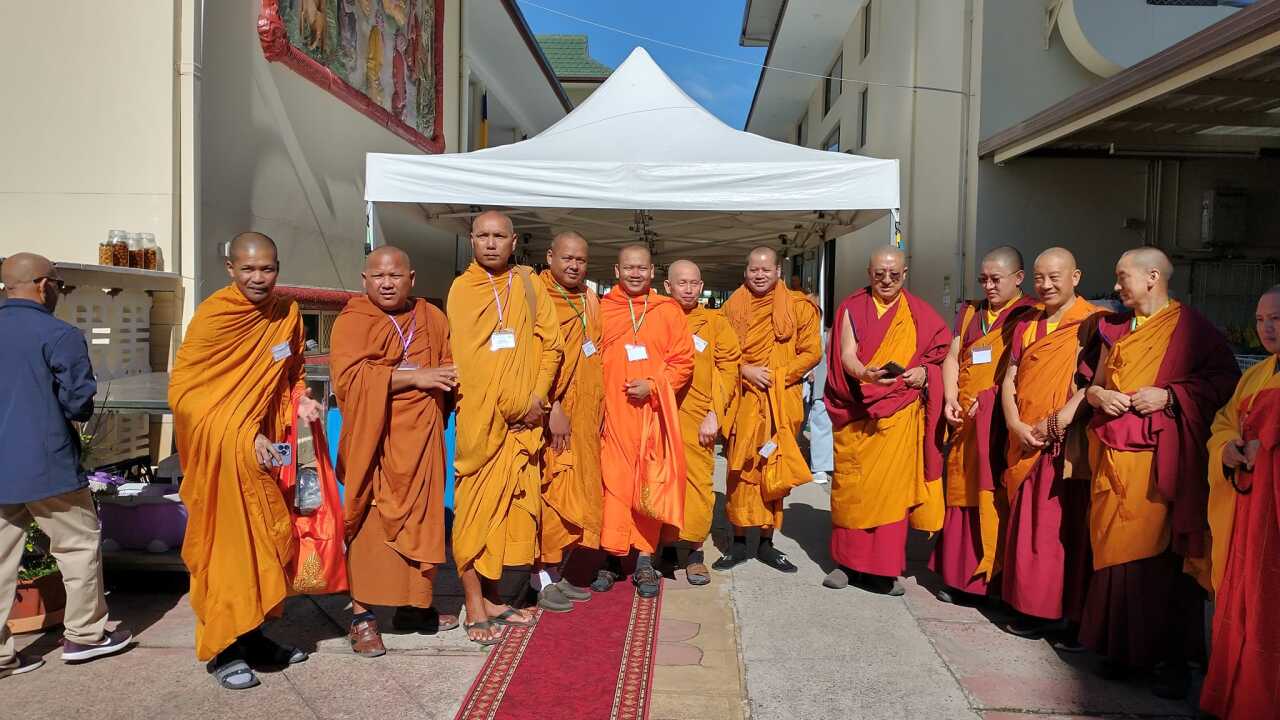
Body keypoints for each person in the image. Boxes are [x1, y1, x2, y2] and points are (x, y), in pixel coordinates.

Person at [1082, 247, 1238, 698]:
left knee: (1159, 565)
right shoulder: (1113, 329)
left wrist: (1169, 396)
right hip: (1112, 459)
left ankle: (1167, 662)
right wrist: (1098, 397)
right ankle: (1118, 651)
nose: (1116, 287)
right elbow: (1090, 384)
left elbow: (1224, 384)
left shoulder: (1193, 330)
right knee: (1113, 559)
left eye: (1122, 277)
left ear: (1152, 277)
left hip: (1160, 466)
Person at [170, 232, 323, 689]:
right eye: (249, 269)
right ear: (230, 269)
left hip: (264, 453)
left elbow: (292, 372)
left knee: (267, 545)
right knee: (227, 552)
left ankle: (254, 636)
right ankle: (224, 649)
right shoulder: (215, 316)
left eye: (267, 269)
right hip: (223, 454)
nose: (259, 278)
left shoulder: (286, 314)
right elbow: (186, 394)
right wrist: (242, 433)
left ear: (278, 268)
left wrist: (301, 401)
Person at [0, 253, 134, 679]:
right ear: (44, 286)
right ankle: (85, 636)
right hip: (47, 464)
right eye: (59, 284)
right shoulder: (59, 334)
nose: (59, 291)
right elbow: (78, 402)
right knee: (77, 545)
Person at [330, 246, 459, 658]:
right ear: (364, 280)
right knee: (370, 528)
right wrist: (416, 377)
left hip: (421, 441)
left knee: (421, 524)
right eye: (378, 276)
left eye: (395, 276)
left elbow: (448, 367)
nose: (387, 284)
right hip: (375, 442)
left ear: (412, 278)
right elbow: (348, 380)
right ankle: (362, 617)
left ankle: (413, 607)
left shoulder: (431, 317)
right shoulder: (353, 320)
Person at [447, 211, 563, 644]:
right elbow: (463, 360)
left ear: (514, 242)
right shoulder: (462, 290)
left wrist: (537, 397)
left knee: (505, 514)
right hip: (480, 425)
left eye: (499, 236)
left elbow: (551, 346)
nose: (491, 243)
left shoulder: (530, 285)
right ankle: (473, 604)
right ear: (471, 239)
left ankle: (494, 598)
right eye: (483, 236)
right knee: (473, 517)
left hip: (523, 424)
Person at [822, 246, 949, 595]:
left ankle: (882, 570)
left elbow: (940, 358)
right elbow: (846, 354)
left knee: (891, 495)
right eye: (880, 274)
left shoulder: (919, 314)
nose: (887, 280)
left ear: (905, 274)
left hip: (899, 416)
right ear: (869, 273)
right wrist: (865, 374)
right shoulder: (852, 307)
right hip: (858, 411)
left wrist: (925, 373)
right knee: (852, 489)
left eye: (894, 274)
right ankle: (846, 564)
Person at [999, 248, 1102, 645]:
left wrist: (1058, 422)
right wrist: (1014, 423)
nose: (1045, 285)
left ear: (1075, 277)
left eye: (1054, 277)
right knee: (1029, 530)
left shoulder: (1094, 322)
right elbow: (1009, 378)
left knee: (1063, 531)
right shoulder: (1027, 324)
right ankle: (1030, 607)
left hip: (1066, 443)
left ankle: (1068, 615)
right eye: (1039, 278)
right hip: (1025, 437)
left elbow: (1096, 382)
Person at [935, 246, 1037, 603]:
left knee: (993, 497)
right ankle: (960, 578)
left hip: (998, 422)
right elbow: (952, 357)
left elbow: (1026, 369)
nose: (989, 286)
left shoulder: (1028, 315)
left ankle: (993, 582)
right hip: (965, 418)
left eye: (996, 279)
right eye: (984, 279)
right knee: (961, 493)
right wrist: (949, 398)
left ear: (1018, 278)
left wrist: (992, 398)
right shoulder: (970, 312)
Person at [1199, 285, 1280, 719]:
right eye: (1261, 320)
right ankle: (1232, 699)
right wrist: (1227, 447)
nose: (1267, 328)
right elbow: (1224, 422)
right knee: (1240, 601)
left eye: (1277, 319)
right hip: (1248, 509)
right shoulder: (1256, 375)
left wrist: (1268, 447)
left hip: (1274, 514)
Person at [716, 247, 822, 573]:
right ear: (745, 272)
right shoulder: (732, 307)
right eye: (753, 270)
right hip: (744, 399)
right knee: (740, 470)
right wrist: (745, 370)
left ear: (778, 271)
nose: (759, 275)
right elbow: (721, 353)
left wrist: (779, 376)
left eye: (765, 270)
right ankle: (737, 542)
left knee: (773, 468)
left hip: (780, 400)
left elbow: (812, 352)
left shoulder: (799, 306)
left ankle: (766, 542)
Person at [599, 245, 694, 598]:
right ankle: (610, 559)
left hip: (653, 417)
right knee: (612, 487)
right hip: (612, 415)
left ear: (653, 272)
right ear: (617, 270)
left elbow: (683, 361)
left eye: (641, 268)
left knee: (648, 484)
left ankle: (643, 560)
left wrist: (653, 385)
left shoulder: (667, 311)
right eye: (629, 268)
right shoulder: (602, 309)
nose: (635, 273)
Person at [535, 231, 604, 611]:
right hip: (551, 415)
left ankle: (555, 571)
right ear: (550, 257)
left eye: (580, 260)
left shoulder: (589, 299)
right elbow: (532, 359)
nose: (574, 266)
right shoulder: (537, 296)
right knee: (549, 494)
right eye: (567, 258)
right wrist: (553, 406)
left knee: (574, 495)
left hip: (584, 417)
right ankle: (539, 578)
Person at [663, 259, 740, 586]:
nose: (689, 289)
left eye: (694, 283)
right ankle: (664, 548)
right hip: (659, 415)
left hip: (698, 418)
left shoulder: (714, 322)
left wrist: (714, 414)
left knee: (698, 486)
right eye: (681, 283)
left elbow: (729, 368)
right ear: (667, 286)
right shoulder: (655, 318)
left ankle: (694, 552)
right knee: (661, 482)